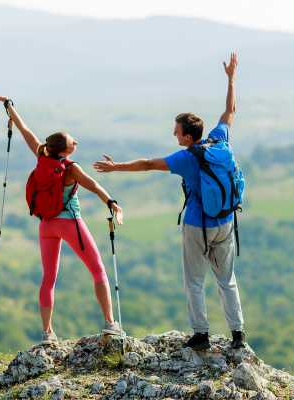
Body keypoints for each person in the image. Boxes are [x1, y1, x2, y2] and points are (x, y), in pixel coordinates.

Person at [93, 53, 245, 350]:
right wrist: (231, 78)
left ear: (188, 137)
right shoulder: (219, 140)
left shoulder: (186, 158)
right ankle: (238, 334)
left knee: (195, 282)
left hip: (197, 224)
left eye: (176, 131)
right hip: (226, 220)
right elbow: (230, 111)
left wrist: (115, 167)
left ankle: (201, 334)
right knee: (227, 280)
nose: (173, 135)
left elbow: (148, 164)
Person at [0, 92, 125, 343]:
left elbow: (24, 129)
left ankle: (47, 332)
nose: (76, 142)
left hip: (46, 225)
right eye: (73, 142)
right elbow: (93, 185)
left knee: (48, 278)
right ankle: (110, 323)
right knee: (98, 270)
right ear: (64, 150)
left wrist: (9, 106)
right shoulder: (71, 169)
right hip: (70, 223)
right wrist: (112, 203)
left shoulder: (42, 154)